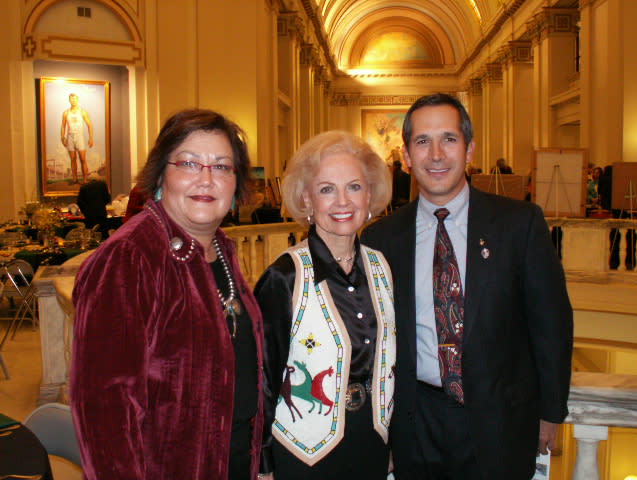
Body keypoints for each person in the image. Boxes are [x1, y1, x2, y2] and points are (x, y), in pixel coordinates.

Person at [361, 93, 573, 480]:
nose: (436, 154)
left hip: (503, 422)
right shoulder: (381, 239)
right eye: (422, 142)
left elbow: (551, 323)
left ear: (470, 149)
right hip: (415, 423)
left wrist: (551, 411)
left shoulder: (519, 224)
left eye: (449, 139)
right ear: (407, 156)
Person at [70, 109, 264, 480]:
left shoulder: (220, 248)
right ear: (160, 175)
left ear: (236, 184)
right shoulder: (129, 258)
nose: (206, 179)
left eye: (222, 167)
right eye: (189, 163)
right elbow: (104, 415)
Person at [254, 131, 396, 480]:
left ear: (370, 195)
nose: (342, 201)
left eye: (354, 187)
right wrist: (263, 464)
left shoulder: (381, 267)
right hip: (302, 451)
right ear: (307, 200)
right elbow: (262, 378)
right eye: (327, 189)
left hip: (371, 441)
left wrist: (393, 443)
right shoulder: (284, 276)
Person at [61, 93, 94, 184]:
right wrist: (62, 137)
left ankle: (85, 179)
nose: (73, 100)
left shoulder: (82, 112)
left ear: (78, 100)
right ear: (69, 100)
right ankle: (75, 179)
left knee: (83, 159)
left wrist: (91, 138)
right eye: (71, 99)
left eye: (75, 99)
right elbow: (63, 126)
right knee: (73, 159)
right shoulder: (66, 113)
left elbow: (89, 125)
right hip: (70, 136)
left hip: (79, 136)